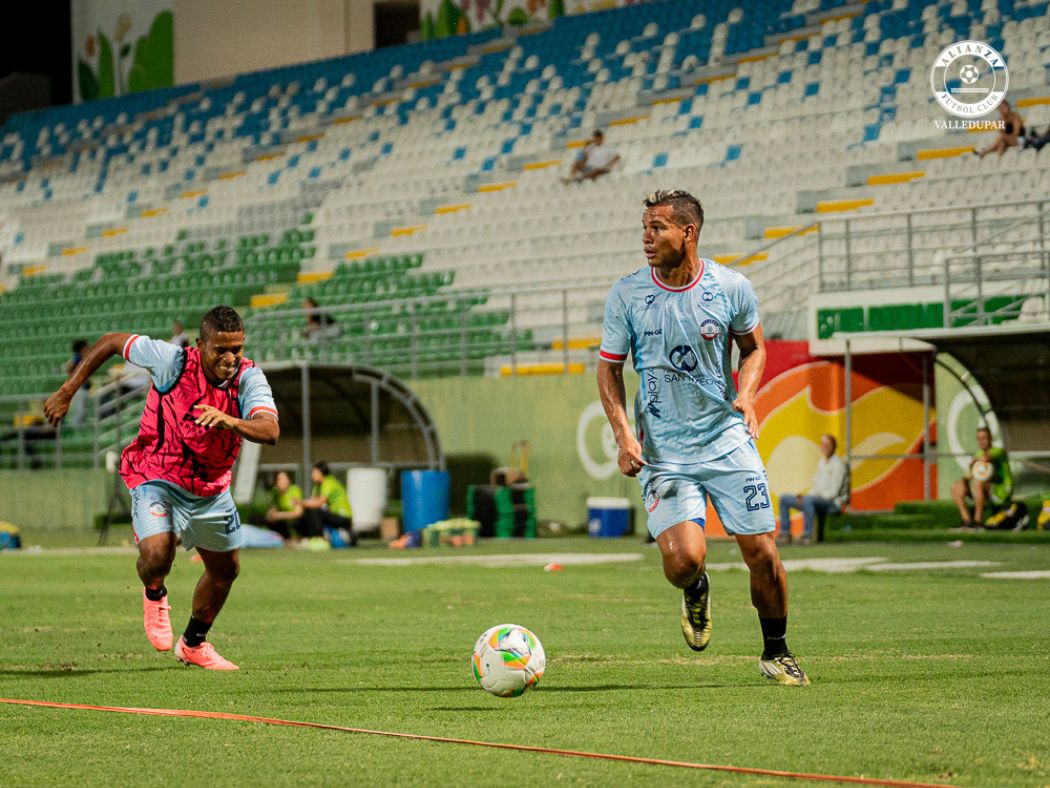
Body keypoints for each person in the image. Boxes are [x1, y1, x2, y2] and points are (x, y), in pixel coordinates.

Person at [597, 189, 809, 686]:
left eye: (658, 229)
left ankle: (775, 652)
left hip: (727, 439)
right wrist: (623, 436)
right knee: (682, 561)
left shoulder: (731, 287)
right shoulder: (627, 294)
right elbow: (608, 371)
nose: (646, 239)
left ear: (688, 233)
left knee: (763, 553)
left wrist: (749, 393)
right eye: (644, 228)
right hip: (664, 452)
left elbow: (754, 350)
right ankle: (696, 587)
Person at [43, 306, 280, 671]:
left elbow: (270, 430)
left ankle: (193, 644)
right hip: (157, 476)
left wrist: (231, 420)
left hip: (210, 489)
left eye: (237, 348)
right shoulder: (171, 360)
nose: (230, 358)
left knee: (225, 572)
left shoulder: (250, 378)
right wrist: (67, 391)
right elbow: (109, 342)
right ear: (201, 345)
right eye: (220, 349)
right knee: (157, 555)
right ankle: (155, 592)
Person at [777, 434, 850, 545]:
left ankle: (808, 535)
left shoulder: (838, 464)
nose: (824, 447)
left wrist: (810, 498)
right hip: (815, 500)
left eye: (828, 444)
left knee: (808, 500)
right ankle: (785, 533)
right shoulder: (821, 462)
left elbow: (833, 492)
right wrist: (805, 497)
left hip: (833, 503)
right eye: (823, 444)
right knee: (784, 499)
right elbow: (815, 487)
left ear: (834, 447)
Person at [951, 426, 1012, 528]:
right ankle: (967, 521)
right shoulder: (978, 454)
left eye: (984, 438)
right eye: (979, 438)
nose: (981, 441)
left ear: (990, 438)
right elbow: (969, 475)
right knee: (955, 487)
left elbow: (987, 458)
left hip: (1000, 492)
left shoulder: (998, 451)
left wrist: (976, 460)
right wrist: (964, 483)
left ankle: (977, 521)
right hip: (984, 491)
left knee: (979, 483)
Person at [301, 460, 357, 546]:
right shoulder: (317, 485)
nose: (312, 475)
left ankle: (320, 539)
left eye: (314, 472)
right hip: (333, 514)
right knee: (310, 511)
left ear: (321, 473)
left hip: (343, 516)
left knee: (316, 512)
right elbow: (312, 501)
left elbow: (319, 503)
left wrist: (301, 503)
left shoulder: (328, 482)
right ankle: (310, 538)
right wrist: (302, 504)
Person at [264, 470, 306, 539]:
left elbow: (298, 513)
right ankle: (279, 539)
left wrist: (281, 515)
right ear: (276, 483)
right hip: (284, 523)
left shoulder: (294, 490)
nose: (285, 481)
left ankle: (298, 538)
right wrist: (270, 514)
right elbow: (272, 509)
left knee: (297, 522)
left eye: (286, 478)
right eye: (281, 479)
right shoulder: (275, 492)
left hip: (296, 522)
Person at [66, 339, 91, 427]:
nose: (89, 348)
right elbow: (69, 368)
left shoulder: (82, 358)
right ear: (82, 348)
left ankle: (80, 427)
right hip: (78, 387)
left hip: (83, 387)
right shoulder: (77, 357)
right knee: (79, 410)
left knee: (83, 409)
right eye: (86, 347)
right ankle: (76, 428)